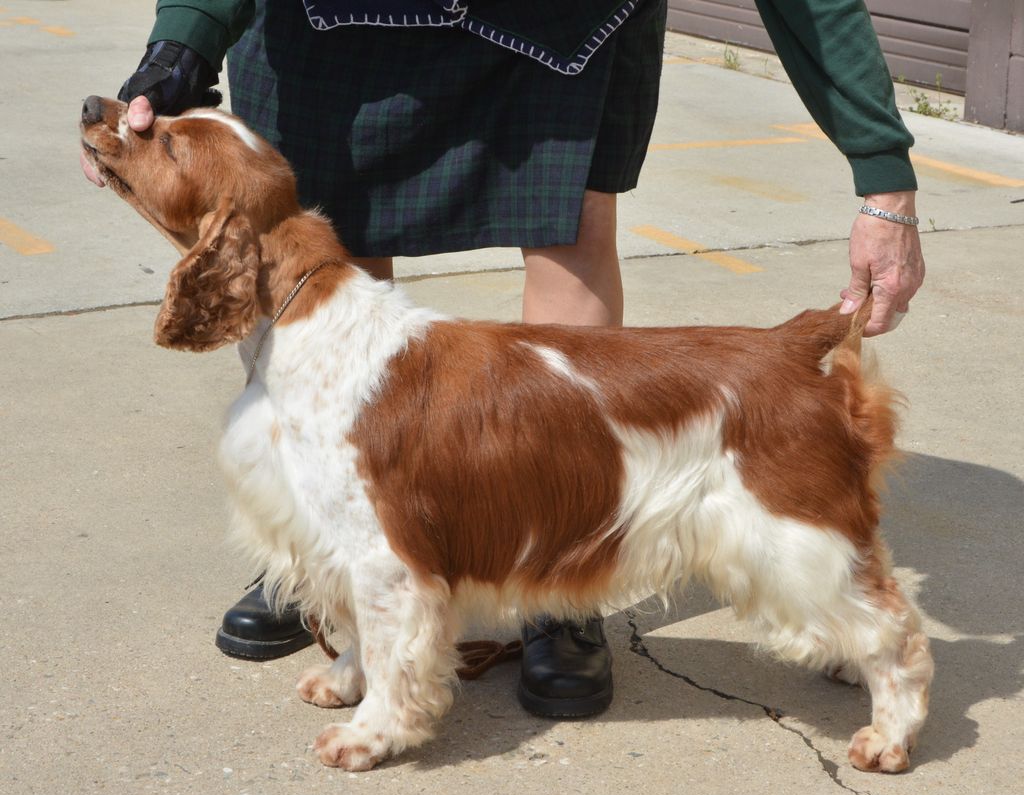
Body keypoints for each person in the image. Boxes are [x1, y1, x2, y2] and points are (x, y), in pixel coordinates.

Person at [81, 0, 925, 719]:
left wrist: (881, 172)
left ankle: (564, 582)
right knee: (334, 230)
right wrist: (184, 37)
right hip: (335, 19)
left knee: (570, 230)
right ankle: (349, 572)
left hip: (560, 24)